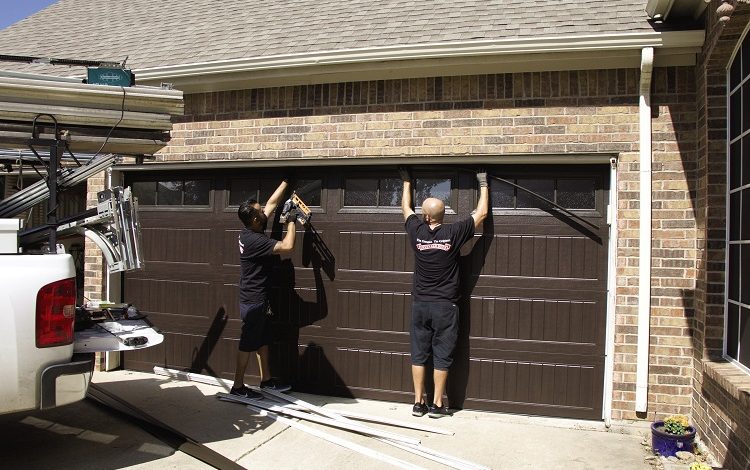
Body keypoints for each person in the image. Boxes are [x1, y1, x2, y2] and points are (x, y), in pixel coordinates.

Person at [399, 167, 489, 418]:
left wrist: (406, 182)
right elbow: (481, 213)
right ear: (441, 215)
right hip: (445, 308)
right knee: (442, 354)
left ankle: (418, 403)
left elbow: (405, 209)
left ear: (425, 217)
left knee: (418, 354)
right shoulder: (453, 232)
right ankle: (438, 404)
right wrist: (483, 182)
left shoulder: (416, 232)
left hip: (421, 305)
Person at [231, 178, 297, 399]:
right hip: (253, 301)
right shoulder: (253, 241)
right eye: (260, 212)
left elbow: (271, 203)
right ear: (256, 220)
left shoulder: (251, 227)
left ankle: (266, 381)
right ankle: (238, 386)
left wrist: (286, 181)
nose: (264, 211)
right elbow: (287, 246)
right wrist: (291, 220)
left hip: (261, 298)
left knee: (263, 339)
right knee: (248, 343)